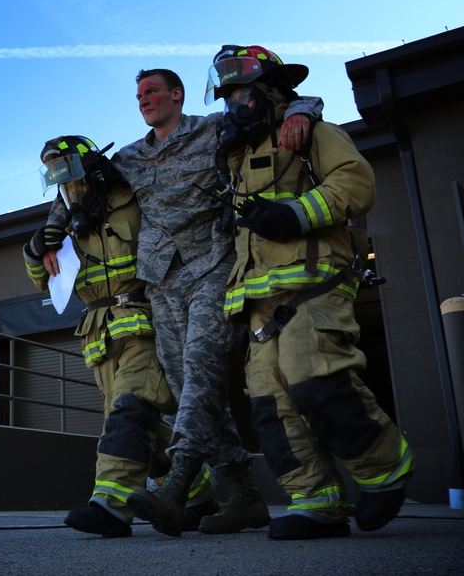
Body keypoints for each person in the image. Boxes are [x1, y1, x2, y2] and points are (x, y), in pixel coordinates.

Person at [41, 69, 322, 537]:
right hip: (161, 281)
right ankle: (247, 496)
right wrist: (47, 237)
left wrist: (299, 113)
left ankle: (176, 486)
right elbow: (77, 187)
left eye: (151, 91)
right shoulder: (129, 157)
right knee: (192, 390)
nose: (143, 100)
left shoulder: (212, 128)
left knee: (201, 369)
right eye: (137, 95)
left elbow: (286, 104)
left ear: (176, 94)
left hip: (212, 267)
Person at [205, 44, 415, 539]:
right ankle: (315, 501)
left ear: (269, 88)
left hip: (314, 286)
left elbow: (356, 183)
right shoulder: (233, 159)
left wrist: (295, 214)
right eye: (228, 92)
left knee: (314, 377)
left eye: (241, 89)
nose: (234, 100)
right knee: (269, 403)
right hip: (259, 306)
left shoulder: (311, 133)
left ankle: (384, 470)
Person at [23, 135, 192, 537]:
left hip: (143, 322)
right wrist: (33, 252)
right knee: (136, 424)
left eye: (72, 175)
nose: (69, 187)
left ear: (90, 169)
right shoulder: (59, 220)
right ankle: (196, 491)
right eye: (59, 179)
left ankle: (111, 508)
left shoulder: (132, 196)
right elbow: (47, 282)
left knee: (130, 410)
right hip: (99, 337)